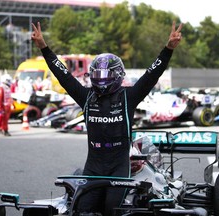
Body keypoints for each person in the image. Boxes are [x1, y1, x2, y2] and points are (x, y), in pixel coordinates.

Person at [31, 21, 182, 215]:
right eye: (97, 74)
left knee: (113, 211)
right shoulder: (86, 97)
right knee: (82, 210)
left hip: (119, 166)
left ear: (118, 75)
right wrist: (44, 47)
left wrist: (168, 49)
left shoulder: (129, 97)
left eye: (105, 74)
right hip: (93, 166)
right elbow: (63, 74)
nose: (101, 78)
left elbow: (152, 75)